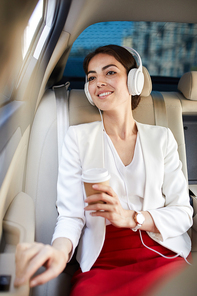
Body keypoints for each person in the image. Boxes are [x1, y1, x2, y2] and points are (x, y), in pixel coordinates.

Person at [14, 45, 193, 295]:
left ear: (134, 80)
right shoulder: (77, 138)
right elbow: (71, 216)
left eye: (110, 73)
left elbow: (183, 213)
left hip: (160, 250)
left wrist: (131, 218)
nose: (99, 82)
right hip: (103, 260)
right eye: (91, 77)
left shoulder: (161, 138)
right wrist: (58, 252)